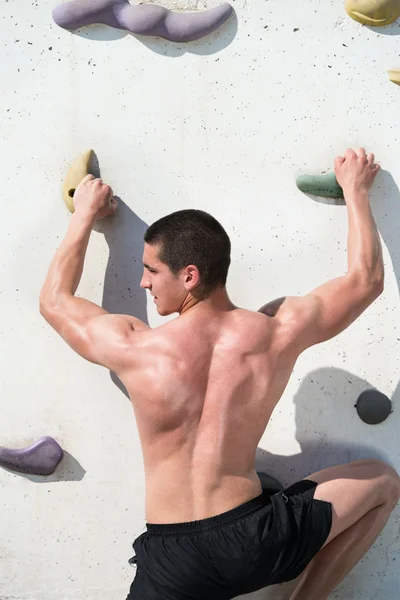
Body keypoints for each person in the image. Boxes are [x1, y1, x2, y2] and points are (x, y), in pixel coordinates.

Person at [40, 148, 400, 600]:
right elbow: (365, 280)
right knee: (383, 483)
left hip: (174, 564)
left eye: (151, 270)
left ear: (189, 275)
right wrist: (356, 189)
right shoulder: (274, 334)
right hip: (257, 543)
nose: (144, 283)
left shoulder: (137, 348)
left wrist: (85, 215)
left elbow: (55, 301)